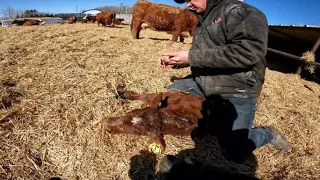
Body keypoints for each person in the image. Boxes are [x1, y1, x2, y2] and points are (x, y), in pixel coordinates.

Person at [160, 0, 292, 162]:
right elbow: (205, 55)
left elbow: (248, 52)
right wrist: (180, 61)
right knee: (167, 100)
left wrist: (190, 57)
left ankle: (267, 133)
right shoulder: (205, 18)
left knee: (234, 150)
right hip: (204, 82)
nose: (188, 5)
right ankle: (210, 118)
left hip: (235, 88)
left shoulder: (240, 12)